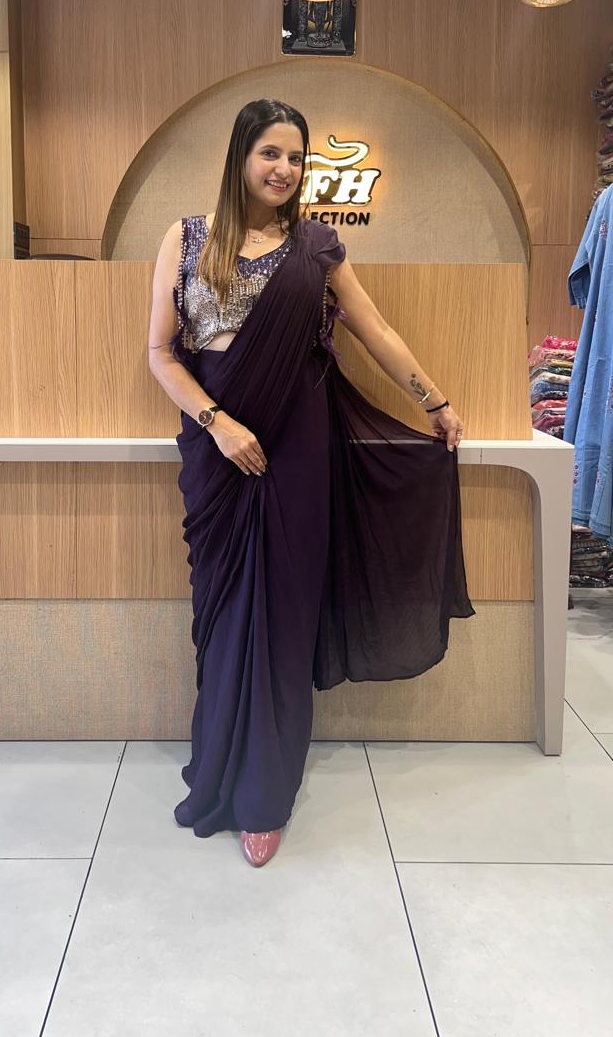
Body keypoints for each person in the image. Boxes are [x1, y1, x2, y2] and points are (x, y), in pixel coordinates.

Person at [148, 98, 473, 868]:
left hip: (297, 451)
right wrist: (217, 424)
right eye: (271, 152)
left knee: (283, 616)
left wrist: (434, 400)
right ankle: (222, 758)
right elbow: (160, 353)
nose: (285, 168)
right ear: (240, 155)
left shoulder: (316, 246)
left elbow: (375, 329)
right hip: (219, 454)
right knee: (227, 611)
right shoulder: (186, 237)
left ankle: (265, 791)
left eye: (296, 157)